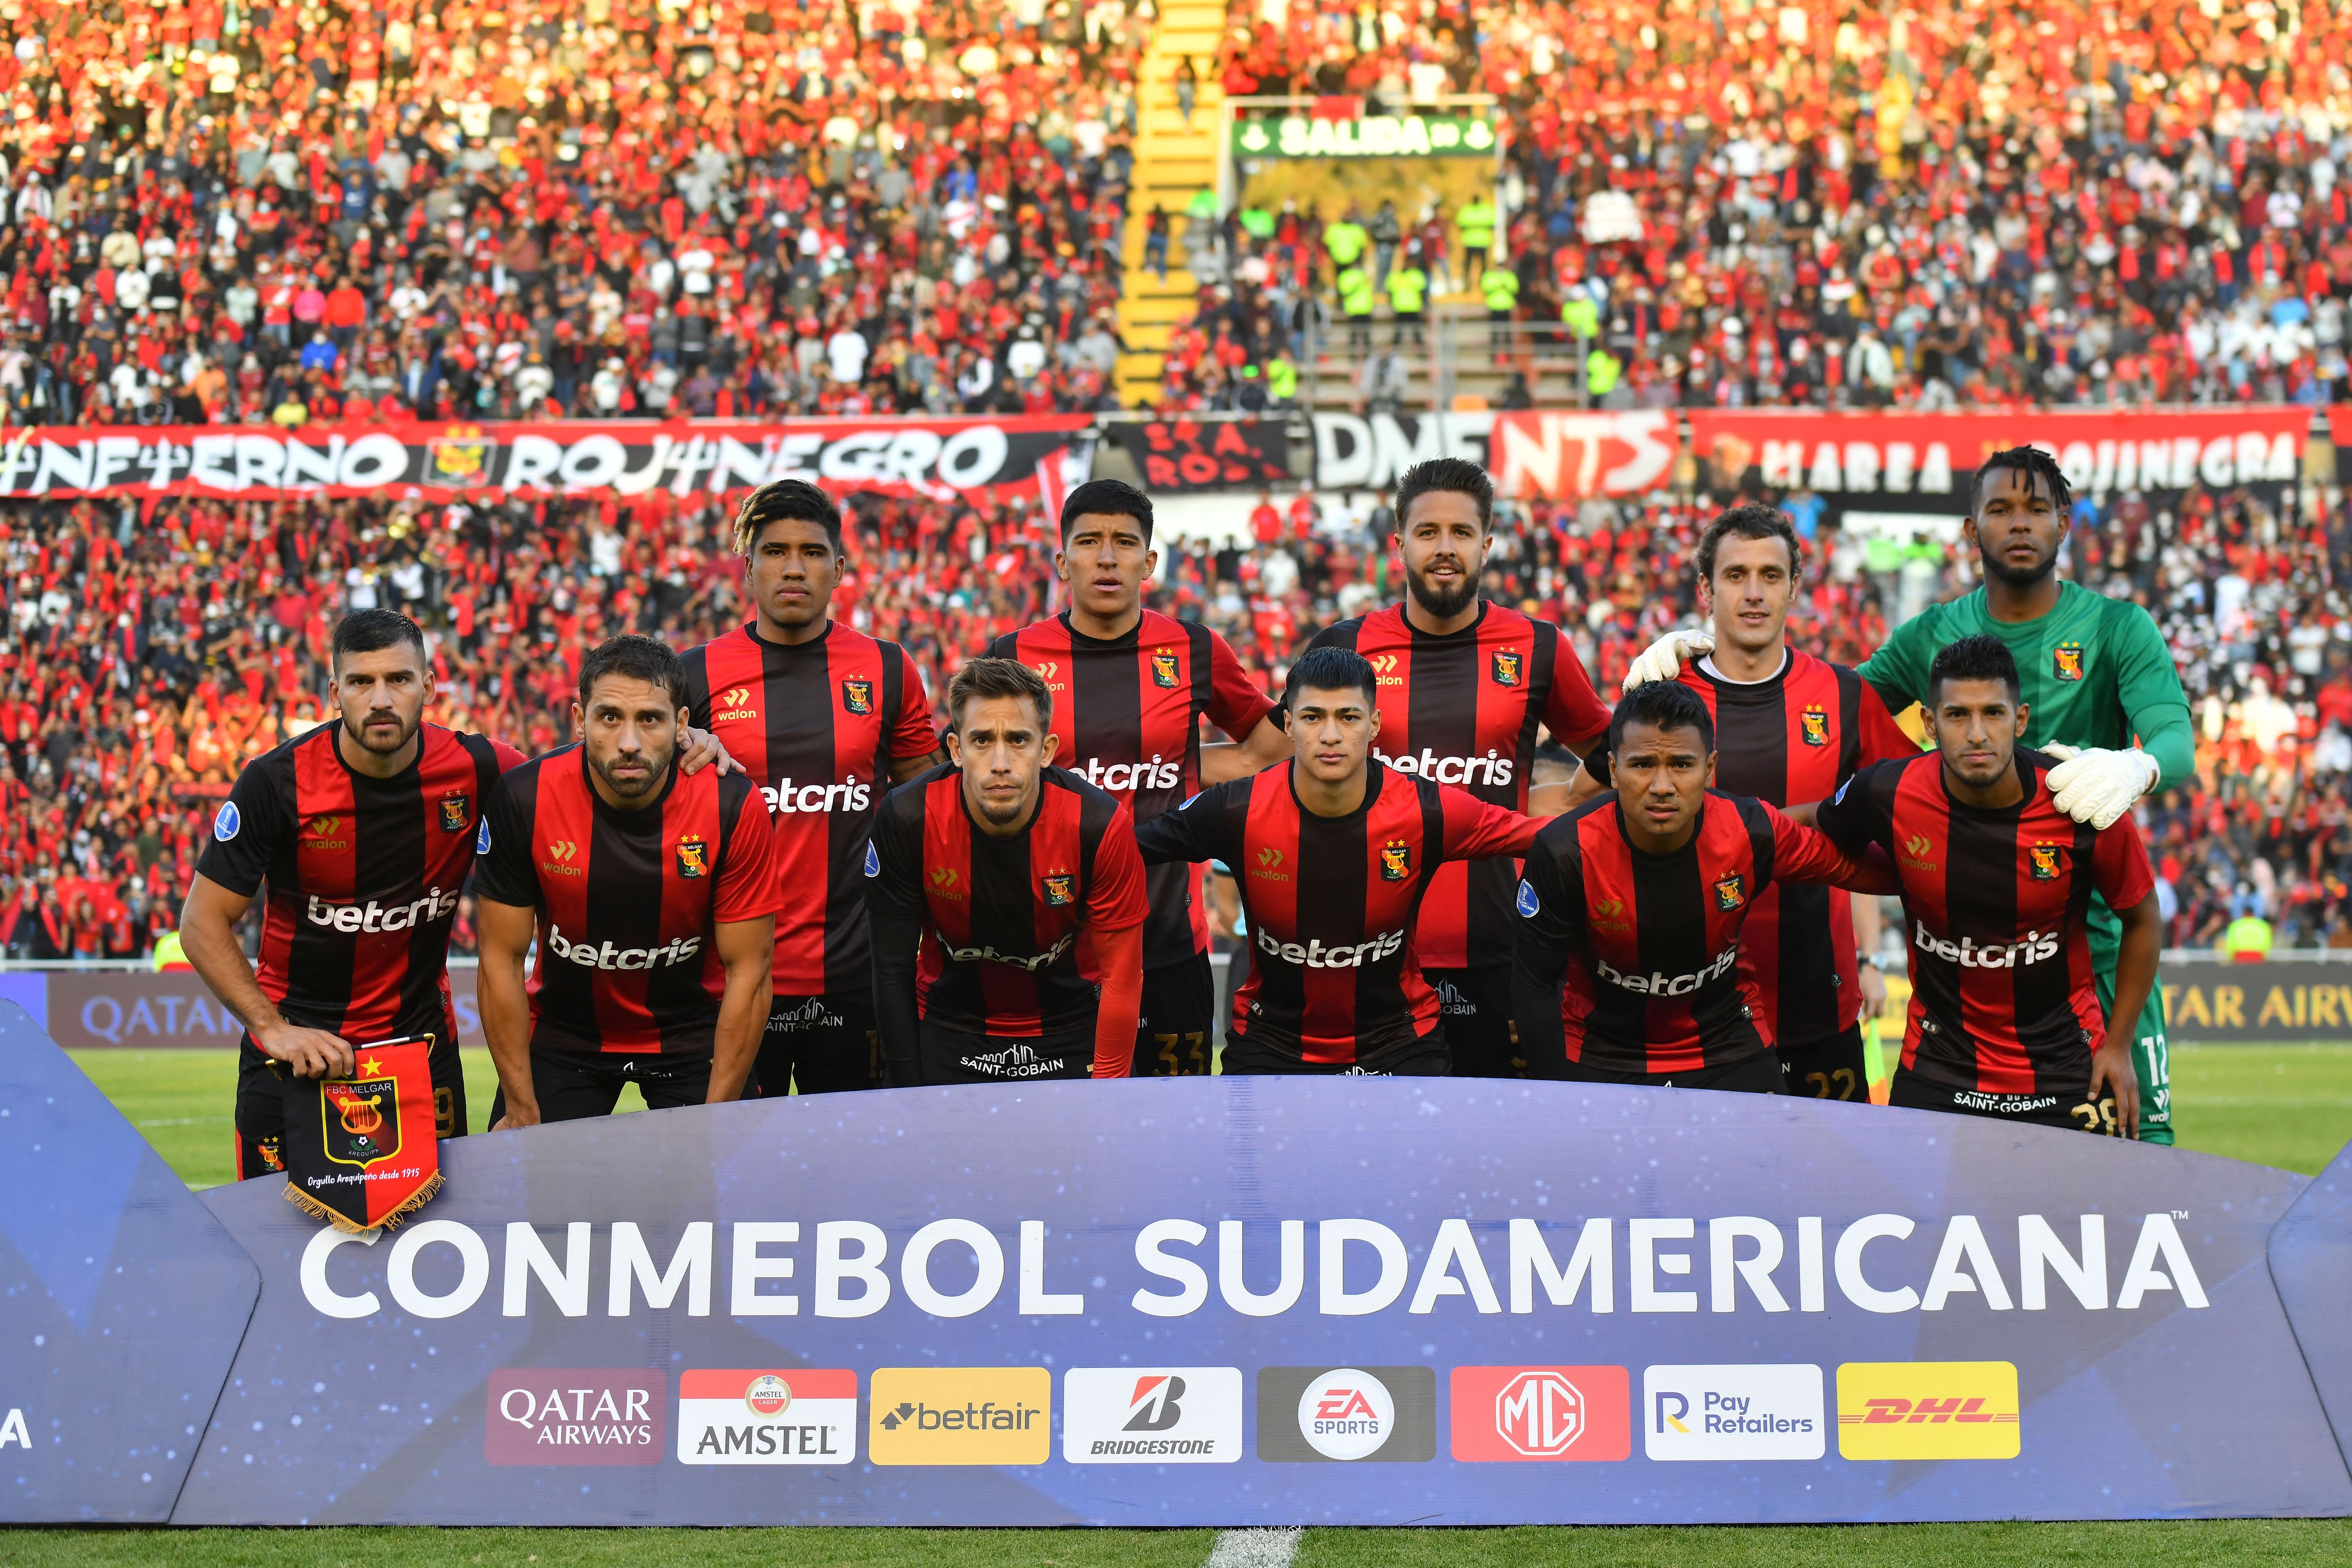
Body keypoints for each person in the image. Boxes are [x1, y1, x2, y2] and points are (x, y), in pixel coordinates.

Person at [1624, 447, 2194, 1144]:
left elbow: (2175, 740)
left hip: (2091, 949)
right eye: (2000, 511)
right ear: (1969, 528)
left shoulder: (2117, 627)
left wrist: (2135, 769)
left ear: (2065, 525)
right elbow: (1819, 708)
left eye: (2037, 510)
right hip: (1964, 957)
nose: (2019, 525)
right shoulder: (1931, 634)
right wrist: (1707, 661)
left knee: (2141, 1167)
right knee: (1948, 1186)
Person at [180, 609, 521, 1179]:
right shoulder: (276, 781)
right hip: (294, 1053)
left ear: (429, 687)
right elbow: (202, 922)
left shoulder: (480, 767)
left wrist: (685, 743)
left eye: (399, 679)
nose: (380, 699)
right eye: (362, 682)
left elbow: (581, 786)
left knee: (432, 1245)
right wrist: (272, 1029)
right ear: (336, 693)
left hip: (420, 1052)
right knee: (279, 1248)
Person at [1303, 457, 1612, 1078]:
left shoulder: (1537, 645)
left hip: (1501, 950)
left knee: (1499, 1152)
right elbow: (1293, 779)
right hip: (1364, 951)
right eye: (1427, 533)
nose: (1445, 549)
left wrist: (1553, 804)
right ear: (1399, 545)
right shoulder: (1342, 647)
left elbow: (1615, 758)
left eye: (1461, 533)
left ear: (1486, 544)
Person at [1597, 505, 1917, 1099]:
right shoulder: (1662, 697)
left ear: (1794, 587)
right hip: (1683, 1014)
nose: (1752, 593)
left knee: (1822, 1190)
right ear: (1705, 588)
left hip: (1817, 1006)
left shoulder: (1845, 696)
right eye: (1734, 574)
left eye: (1770, 575)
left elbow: (1918, 804)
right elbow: (1589, 809)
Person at [1805, 635, 2160, 1136]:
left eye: (1993, 713)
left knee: (2090, 1215)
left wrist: (2119, 1044)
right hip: (1937, 1068)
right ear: (1930, 724)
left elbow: (2143, 918)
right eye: (1956, 715)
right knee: (1918, 1216)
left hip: (2064, 1069)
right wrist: (1717, 823)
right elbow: (1805, 826)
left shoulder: (2079, 798)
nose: (1977, 733)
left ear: (2020, 720)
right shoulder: (1889, 790)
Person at [986, 479, 1283, 1076]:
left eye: (1124, 542)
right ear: (1061, 560)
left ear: (1148, 562)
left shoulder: (1194, 648)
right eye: (1089, 541)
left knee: (1178, 1144)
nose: (1105, 556)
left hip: (1168, 945)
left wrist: (1195, 783)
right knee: (1054, 1143)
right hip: (1047, 949)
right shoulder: (1013, 656)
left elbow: (1265, 749)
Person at [1134, 646, 1544, 1076]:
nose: (1330, 735)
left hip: (1400, 1046)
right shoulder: (1235, 808)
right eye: (1313, 717)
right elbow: (1121, 850)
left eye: (1348, 717)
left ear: (1374, 726)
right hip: (1270, 1046)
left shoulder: (1426, 810)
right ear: (1289, 724)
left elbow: (1544, 838)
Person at [681, 479, 943, 1097]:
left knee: (859, 1176)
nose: (792, 567)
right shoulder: (693, 673)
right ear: (747, 568)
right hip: (733, 980)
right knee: (739, 1176)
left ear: (839, 567)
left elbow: (930, 814)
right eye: (774, 551)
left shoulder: (887, 667)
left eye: (811, 551)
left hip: (859, 978)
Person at [1513, 682, 1891, 1091]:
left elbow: (1856, 870)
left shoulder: (1750, 830)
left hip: (1726, 1045)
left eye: (1680, 764)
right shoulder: (1563, 850)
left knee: (1776, 1154)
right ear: (1612, 769)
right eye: (1642, 765)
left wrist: (1947, 872)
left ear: (1710, 769)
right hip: (1602, 1051)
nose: (1661, 785)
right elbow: (1533, 982)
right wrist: (1556, 1093)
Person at [472, 636, 783, 1126]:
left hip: (691, 1036)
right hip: (565, 1034)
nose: (630, 743)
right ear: (580, 719)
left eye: (651, 720)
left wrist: (717, 1121)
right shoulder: (523, 798)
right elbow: (500, 960)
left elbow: (751, 971)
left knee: (721, 1197)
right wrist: (520, 1105)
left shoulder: (732, 804)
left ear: (682, 724)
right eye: (610, 717)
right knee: (527, 1191)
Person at [861, 658, 1148, 1084]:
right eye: (981, 741)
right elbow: (891, 968)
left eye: (1018, 740)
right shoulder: (906, 817)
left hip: (1071, 1030)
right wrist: (908, 1090)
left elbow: (1121, 978)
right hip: (951, 1028)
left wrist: (1106, 1092)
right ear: (956, 750)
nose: (1000, 762)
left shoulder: (1099, 824)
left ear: (1047, 750)